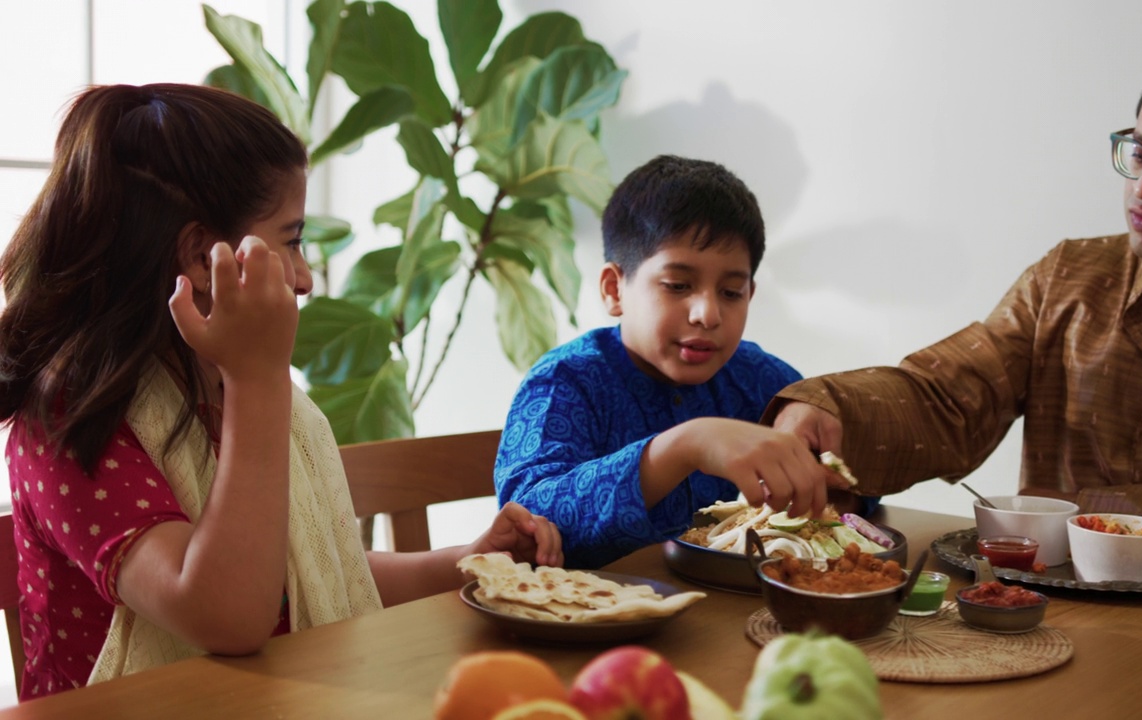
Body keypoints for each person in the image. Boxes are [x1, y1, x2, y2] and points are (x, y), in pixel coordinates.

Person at [0, 83, 562, 701]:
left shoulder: (225, 388)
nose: (306, 276)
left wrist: (469, 562)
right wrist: (258, 380)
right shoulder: (71, 418)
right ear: (199, 256)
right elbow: (228, 612)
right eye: (292, 239)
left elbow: (301, 579)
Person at [766, 24, 1142, 567]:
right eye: (1140, 151)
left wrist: (1072, 511)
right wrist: (827, 409)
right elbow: (950, 400)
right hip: (1049, 615)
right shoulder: (1070, 276)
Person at [494, 155, 875, 569]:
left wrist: (831, 472)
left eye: (731, 292)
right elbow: (526, 523)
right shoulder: (565, 382)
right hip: (595, 619)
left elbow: (858, 486)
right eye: (678, 285)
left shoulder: (764, 380)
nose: (707, 314)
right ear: (614, 289)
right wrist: (685, 446)